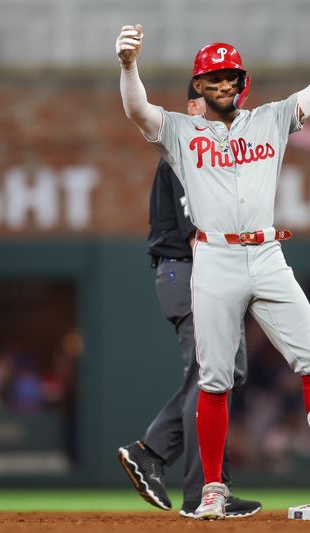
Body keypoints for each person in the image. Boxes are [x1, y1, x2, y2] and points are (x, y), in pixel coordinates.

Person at [116, 20, 310, 519]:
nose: (226, 83)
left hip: (267, 254)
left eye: (232, 75)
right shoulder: (182, 132)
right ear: (199, 86)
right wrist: (128, 65)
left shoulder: (269, 118)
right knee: (214, 379)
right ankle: (212, 489)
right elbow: (137, 109)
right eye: (215, 77)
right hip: (215, 257)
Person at [117, 81, 261, 519]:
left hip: (198, 272)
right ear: (190, 107)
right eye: (204, 102)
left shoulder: (213, 153)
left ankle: (153, 451)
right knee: (210, 374)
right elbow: (198, 228)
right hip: (187, 269)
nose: (216, 109)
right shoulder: (184, 154)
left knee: (226, 370)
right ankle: (203, 489)